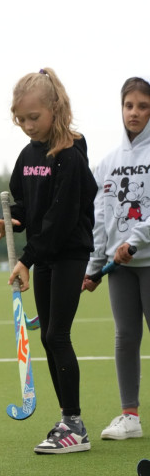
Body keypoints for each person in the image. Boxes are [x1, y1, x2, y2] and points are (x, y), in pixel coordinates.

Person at [0, 68, 98, 454]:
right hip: (43, 255)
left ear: (55, 109)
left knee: (57, 335)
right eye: (20, 119)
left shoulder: (69, 156)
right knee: (48, 336)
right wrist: (13, 219)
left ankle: (74, 424)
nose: (26, 126)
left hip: (68, 252)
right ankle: (66, 420)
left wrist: (26, 258)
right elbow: (26, 201)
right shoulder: (28, 154)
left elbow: (60, 218)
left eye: (33, 118)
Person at [83, 75, 150, 440]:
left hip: (148, 261)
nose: (134, 113)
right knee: (125, 337)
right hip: (119, 270)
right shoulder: (106, 163)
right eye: (129, 106)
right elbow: (101, 219)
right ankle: (130, 416)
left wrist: (135, 241)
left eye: (142, 106)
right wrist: (95, 266)